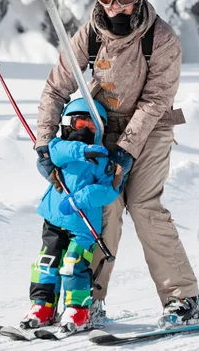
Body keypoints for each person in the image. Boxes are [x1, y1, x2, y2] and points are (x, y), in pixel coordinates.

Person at [34, 0, 199, 328]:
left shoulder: (161, 38)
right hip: (103, 131)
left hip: (150, 131)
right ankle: (87, 298)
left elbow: (155, 101)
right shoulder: (91, 33)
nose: (114, 5)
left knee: (144, 207)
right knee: (104, 209)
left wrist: (127, 150)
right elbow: (56, 87)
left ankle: (184, 300)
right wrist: (44, 143)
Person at [22, 97, 123, 332]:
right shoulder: (60, 148)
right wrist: (83, 151)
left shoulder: (103, 160)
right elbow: (56, 153)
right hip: (54, 219)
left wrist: (81, 198)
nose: (86, 130)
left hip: (83, 225)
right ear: (68, 124)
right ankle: (42, 306)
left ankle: (77, 308)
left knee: (72, 265)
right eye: (80, 124)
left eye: (92, 126)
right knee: (46, 263)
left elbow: (108, 191)